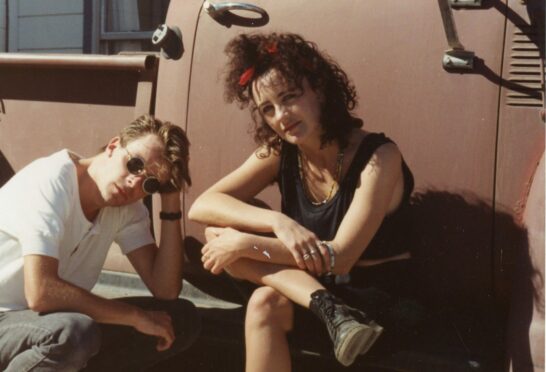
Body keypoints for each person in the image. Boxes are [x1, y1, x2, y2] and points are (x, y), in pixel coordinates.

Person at [188, 32, 423, 371]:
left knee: (232, 246)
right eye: (267, 108)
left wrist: (243, 243)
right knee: (233, 256)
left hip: (380, 301)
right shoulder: (281, 151)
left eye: (289, 97)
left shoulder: (380, 156)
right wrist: (277, 223)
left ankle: (333, 311)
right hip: (320, 295)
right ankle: (330, 309)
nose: (281, 116)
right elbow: (203, 206)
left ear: (321, 90)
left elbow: (341, 257)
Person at [0, 114, 200, 372]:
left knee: (179, 320)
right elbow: (41, 292)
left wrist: (171, 199)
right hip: (7, 316)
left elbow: (165, 289)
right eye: (135, 164)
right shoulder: (52, 180)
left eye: (150, 183)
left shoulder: (127, 207)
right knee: (71, 333)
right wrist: (135, 317)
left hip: (45, 322)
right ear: (113, 146)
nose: (134, 182)